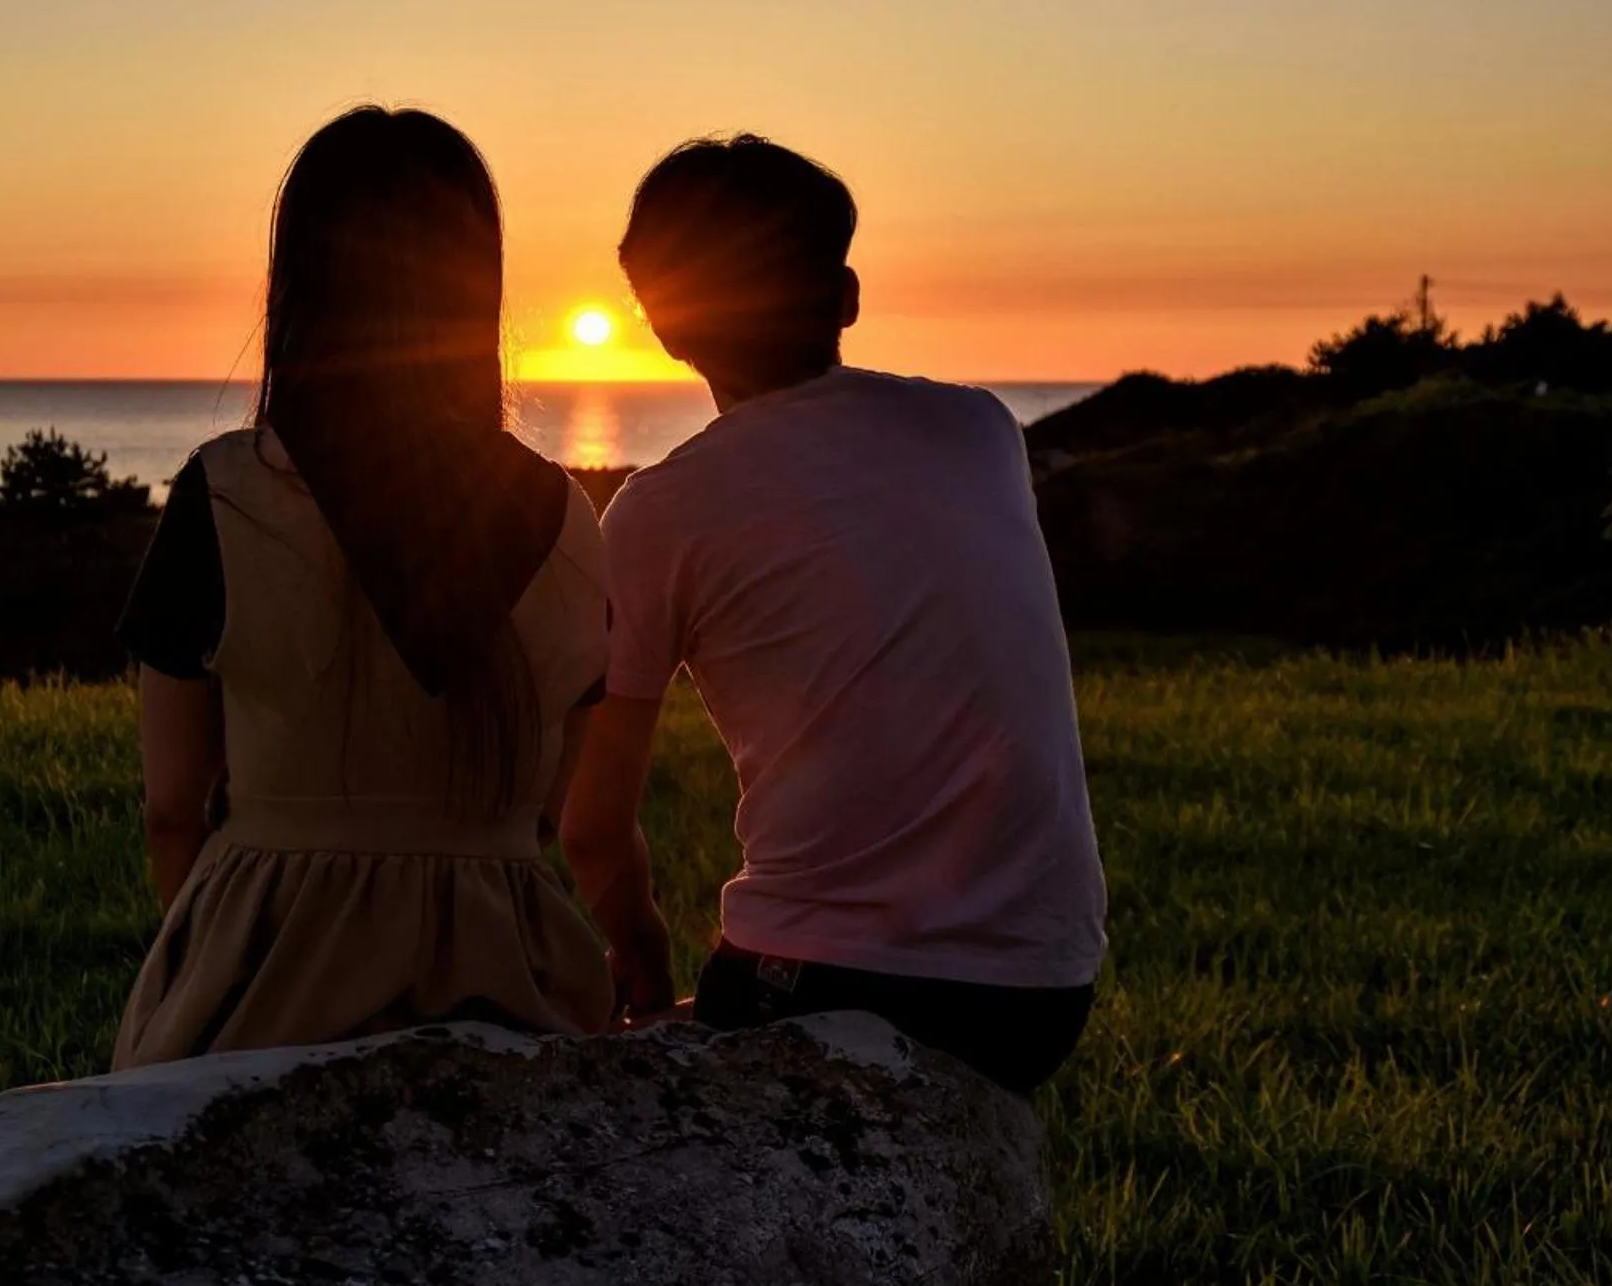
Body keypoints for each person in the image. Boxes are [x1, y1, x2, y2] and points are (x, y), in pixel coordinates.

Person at [559, 135, 1106, 1094]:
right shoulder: (980, 429)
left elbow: (592, 822)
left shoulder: (660, 508)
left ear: (661, 326)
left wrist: (641, 952)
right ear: (846, 297)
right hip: (1045, 992)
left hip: (831, 985)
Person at [109, 106, 615, 1066]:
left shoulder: (227, 493)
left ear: (301, 276)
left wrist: (211, 943)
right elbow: (545, 811)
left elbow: (173, 804)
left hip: (264, 982)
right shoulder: (570, 519)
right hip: (521, 984)